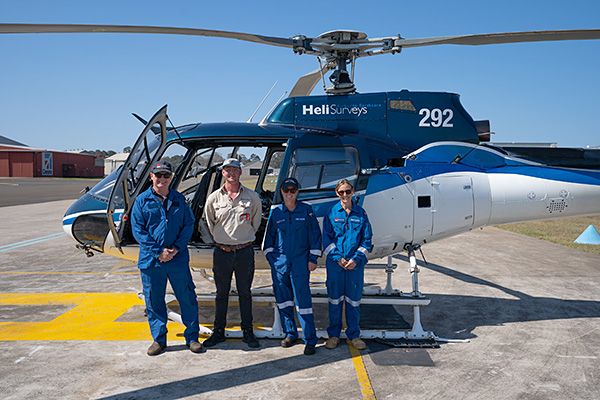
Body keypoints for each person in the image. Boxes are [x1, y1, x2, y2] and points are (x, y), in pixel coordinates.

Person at [131, 160, 202, 356]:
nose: (162, 179)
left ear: (171, 178)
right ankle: (159, 339)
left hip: (177, 259)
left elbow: (189, 225)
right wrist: (158, 252)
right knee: (154, 301)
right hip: (152, 260)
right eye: (159, 175)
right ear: (152, 176)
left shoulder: (180, 199)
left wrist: (176, 249)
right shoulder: (141, 201)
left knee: (187, 298)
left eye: (166, 176)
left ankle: (192, 337)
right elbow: (138, 230)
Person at [202, 158, 262, 348]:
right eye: (228, 170)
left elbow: (256, 222)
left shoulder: (252, 197)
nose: (232, 173)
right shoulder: (214, 198)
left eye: (235, 170)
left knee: (245, 293)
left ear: (240, 172)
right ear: (223, 173)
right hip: (222, 252)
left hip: (244, 252)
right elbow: (210, 223)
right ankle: (218, 331)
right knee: (221, 294)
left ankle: (248, 332)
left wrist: (241, 240)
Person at [263, 177, 322, 355]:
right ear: (281, 191)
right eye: (285, 190)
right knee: (284, 300)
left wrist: (313, 259)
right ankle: (290, 333)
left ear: (297, 192)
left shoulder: (306, 211)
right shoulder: (276, 213)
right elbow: (268, 240)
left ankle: (310, 338)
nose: (289, 193)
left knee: (303, 301)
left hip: (300, 263)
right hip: (280, 264)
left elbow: (315, 236)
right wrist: (273, 261)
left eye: (292, 190)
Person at [323, 179, 373, 351]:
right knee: (334, 301)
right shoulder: (331, 213)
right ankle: (334, 335)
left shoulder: (361, 214)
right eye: (341, 192)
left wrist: (355, 259)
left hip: (354, 266)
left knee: (353, 301)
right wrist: (338, 258)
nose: (345, 195)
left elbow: (367, 240)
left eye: (348, 191)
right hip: (336, 266)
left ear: (353, 192)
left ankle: (354, 335)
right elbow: (326, 240)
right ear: (337, 193)